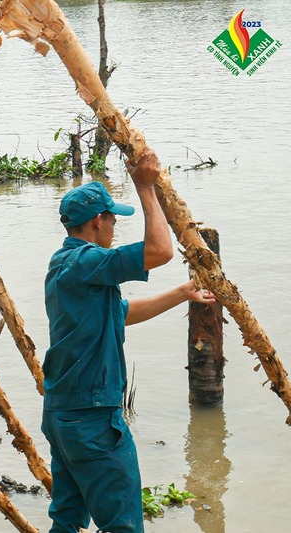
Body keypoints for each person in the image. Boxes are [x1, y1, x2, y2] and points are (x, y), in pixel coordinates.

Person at [41, 149, 215, 533]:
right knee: (123, 526)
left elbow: (121, 313)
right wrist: (144, 187)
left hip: (61, 414)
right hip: (93, 416)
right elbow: (160, 250)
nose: (115, 228)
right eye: (113, 220)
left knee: (67, 520)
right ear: (98, 221)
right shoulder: (88, 261)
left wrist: (183, 293)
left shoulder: (64, 265)